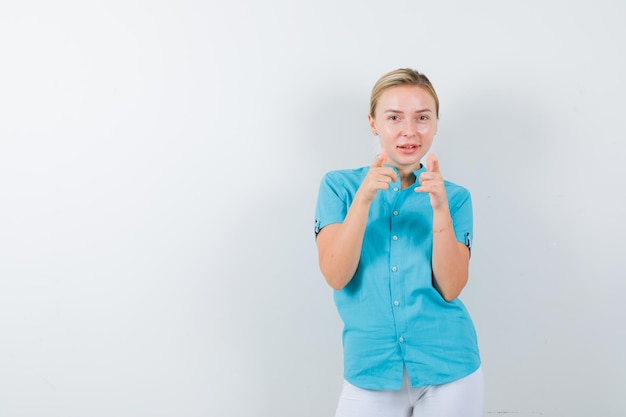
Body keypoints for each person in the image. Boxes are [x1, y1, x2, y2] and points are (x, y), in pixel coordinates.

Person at [314, 68, 484, 417]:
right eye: (394, 117)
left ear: (436, 123)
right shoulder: (339, 187)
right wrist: (363, 200)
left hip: (449, 369)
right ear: (373, 122)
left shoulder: (455, 197)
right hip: (371, 369)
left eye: (422, 118)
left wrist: (439, 210)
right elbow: (335, 275)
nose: (410, 131)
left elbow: (451, 288)